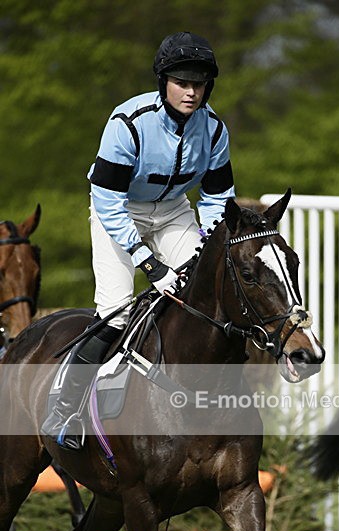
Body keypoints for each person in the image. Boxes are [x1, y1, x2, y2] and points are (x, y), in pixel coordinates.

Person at [41, 31, 235, 449]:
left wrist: (207, 242)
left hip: (172, 212)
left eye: (199, 84)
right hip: (119, 213)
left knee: (205, 297)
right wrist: (149, 262)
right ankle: (66, 406)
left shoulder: (215, 129)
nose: (191, 92)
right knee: (116, 313)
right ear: (163, 82)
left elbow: (218, 197)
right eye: (182, 82)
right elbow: (107, 202)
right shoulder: (127, 122)